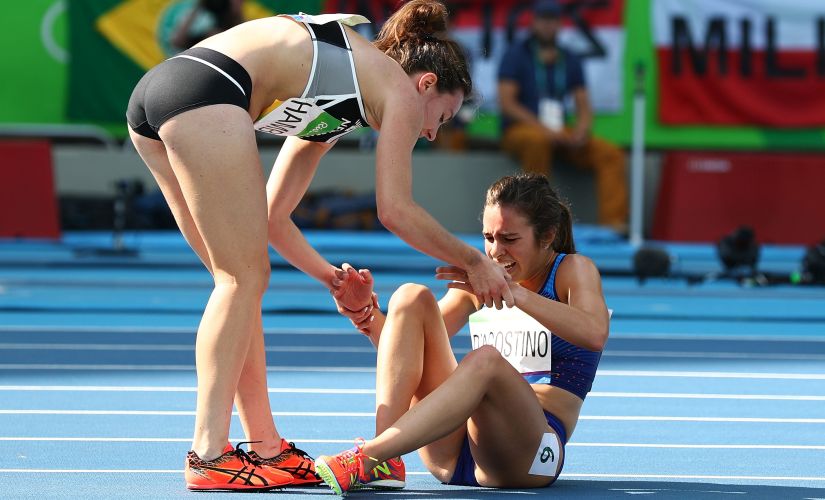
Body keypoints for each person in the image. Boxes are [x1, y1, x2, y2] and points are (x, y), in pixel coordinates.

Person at [125, 0, 514, 491]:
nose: (433, 132)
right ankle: (207, 454)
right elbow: (395, 210)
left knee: (239, 288)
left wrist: (330, 277)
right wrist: (474, 260)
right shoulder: (395, 86)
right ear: (426, 84)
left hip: (161, 94)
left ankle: (266, 448)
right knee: (241, 280)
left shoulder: (342, 99)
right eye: (443, 115)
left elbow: (273, 216)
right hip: (205, 89)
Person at [316, 173, 610, 493]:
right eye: (488, 237)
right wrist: (366, 315)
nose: (496, 252)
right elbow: (406, 349)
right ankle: (385, 460)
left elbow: (594, 333)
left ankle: (370, 455)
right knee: (410, 297)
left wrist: (515, 294)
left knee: (486, 360)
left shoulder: (572, 270)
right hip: (454, 452)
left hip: (532, 454)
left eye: (510, 239)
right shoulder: (478, 284)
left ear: (548, 235)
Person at [497, 0, 628, 233]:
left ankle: (614, 226)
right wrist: (544, 129)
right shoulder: (516, 54)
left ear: (560, 24)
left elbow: (584, 105)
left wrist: (581, 130)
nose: (548, 26)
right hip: (522, 131)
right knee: (538, 142)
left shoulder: (569, 57)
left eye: (553, 21)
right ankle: (536, 223)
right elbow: (508, 104)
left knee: (609, 154)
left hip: (558, 131)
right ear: (533, 22)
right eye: (543, 20)